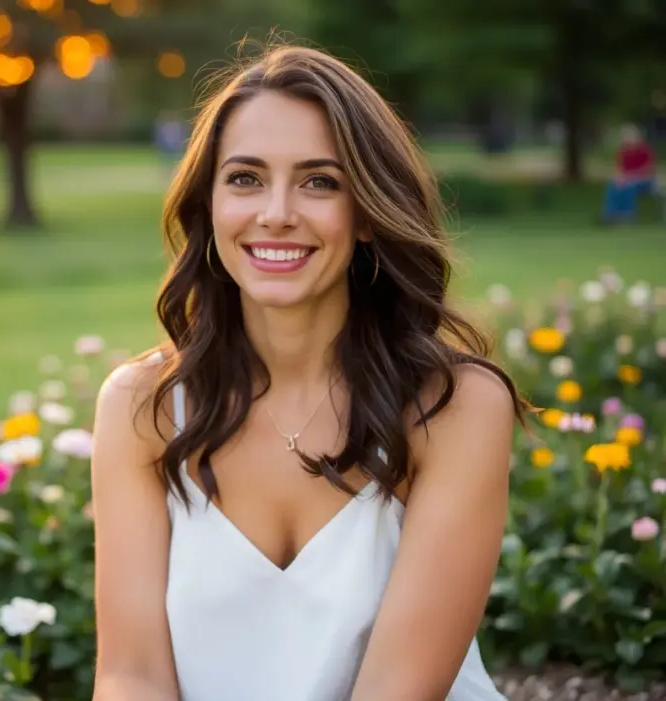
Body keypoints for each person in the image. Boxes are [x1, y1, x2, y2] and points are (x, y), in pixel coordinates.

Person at [89, 45, 529, 701]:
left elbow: (399, 689)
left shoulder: (456, 407)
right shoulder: (141, 408)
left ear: (368, 216)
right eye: (245, 178)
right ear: (208, 205)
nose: (275, 213)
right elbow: (133, 675)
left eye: (320, 181)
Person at [601, 123, 658, 224]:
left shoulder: (645, 150)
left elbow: (648, 171)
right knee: (613, 186)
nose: (626, 140)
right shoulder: (623, 151)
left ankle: (628, 215)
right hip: (627, 179)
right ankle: (611, 214)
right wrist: (618, 179)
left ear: (636, 137)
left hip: (645, 181)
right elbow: (620, 170)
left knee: (629, 186)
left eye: (629, 137)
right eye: (625, 138)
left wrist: (629, 177)